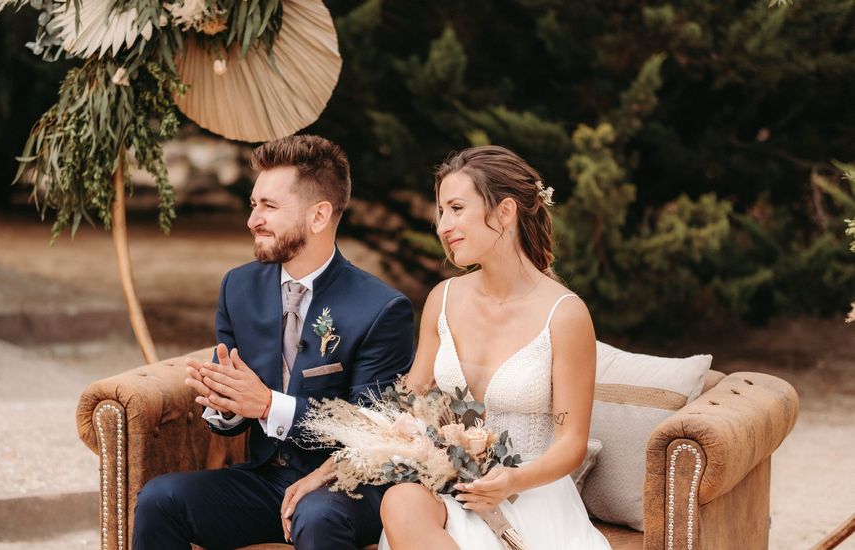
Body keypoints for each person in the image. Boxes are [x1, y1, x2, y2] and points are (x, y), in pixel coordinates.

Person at [132, 135, 416, 550]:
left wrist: (267, 404)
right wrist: (224, 402)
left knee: (316, 516)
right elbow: (231, 407)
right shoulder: (238, 286)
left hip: (345, 485)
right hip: (265, 479)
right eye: (253, 204)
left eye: (269, 206)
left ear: (319, 216)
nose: (253, 220)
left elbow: (368, 431)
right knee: (160, 500)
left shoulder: (381, 309)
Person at [379, 145, 611, 549]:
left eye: (456, 208)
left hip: (530, 493)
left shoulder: (565, 314)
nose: (442, 226)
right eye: (440, 212)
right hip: (450, 492)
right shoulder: (442, 298)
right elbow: (408, 403)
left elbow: (571, 442)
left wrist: (512, 480)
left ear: (505, 212)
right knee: (400, 502)